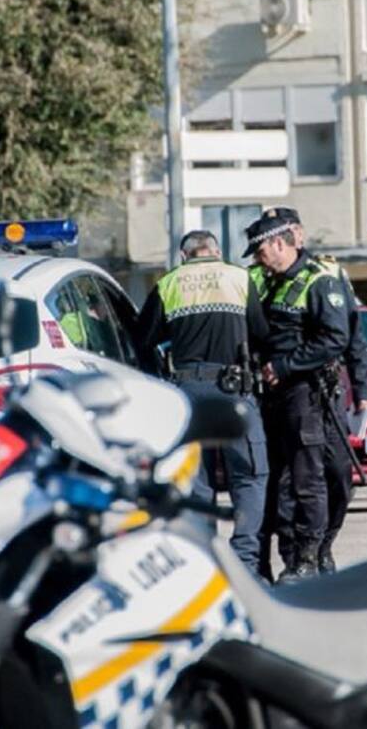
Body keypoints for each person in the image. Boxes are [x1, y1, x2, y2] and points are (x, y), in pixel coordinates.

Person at [134, 230, 269, 575]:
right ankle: (245, 561)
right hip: (234, 387)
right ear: (216, 251)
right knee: (250, 475)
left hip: (187, 391)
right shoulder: (239, 278)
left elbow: (142, 340)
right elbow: (261, 332)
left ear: (184, 255)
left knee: (197, 479)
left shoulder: (169, 283)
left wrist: (158, 378)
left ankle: (207, 562)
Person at [245, 209, 349, 581]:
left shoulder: (319, 280)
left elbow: (337, 338)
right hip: (271, 396)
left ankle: (310, 557)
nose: (259, 260)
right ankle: (289, 557)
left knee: (310, 479)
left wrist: (286, 366)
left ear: (279, 243)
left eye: (261, 252)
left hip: (306, 393)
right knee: (277, 482)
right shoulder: (262, 280)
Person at [278, 208, 367, 575]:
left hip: (328, 391)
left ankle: (325, 545)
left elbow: (353, 335)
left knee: (338, 473)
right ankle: (299, 556)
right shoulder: (262, 276)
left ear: (299, 234)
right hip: (290, 394)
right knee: (295, 481)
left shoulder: (328, 274)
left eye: (293, 230)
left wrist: (362, 389)